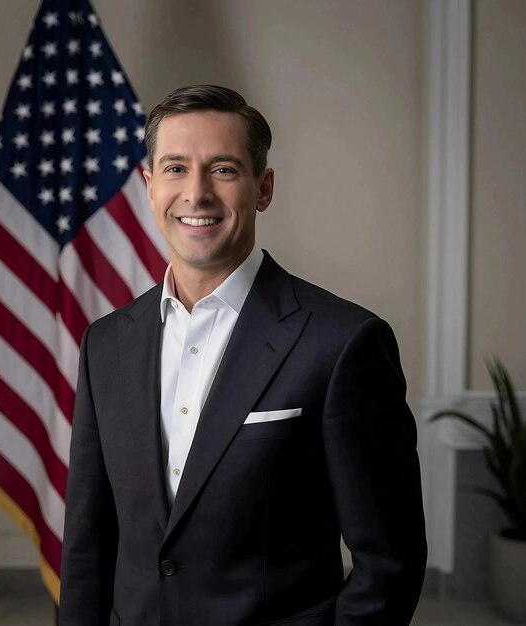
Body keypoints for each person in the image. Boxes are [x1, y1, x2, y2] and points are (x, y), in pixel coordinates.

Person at [59, 85, 427, 626]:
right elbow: (87, 548)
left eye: (224, 169)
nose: (197, 193)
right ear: (149, 185)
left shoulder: (344, 343)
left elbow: (389, 565)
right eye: (176, 168)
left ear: (264, 188)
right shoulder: (106, 344)